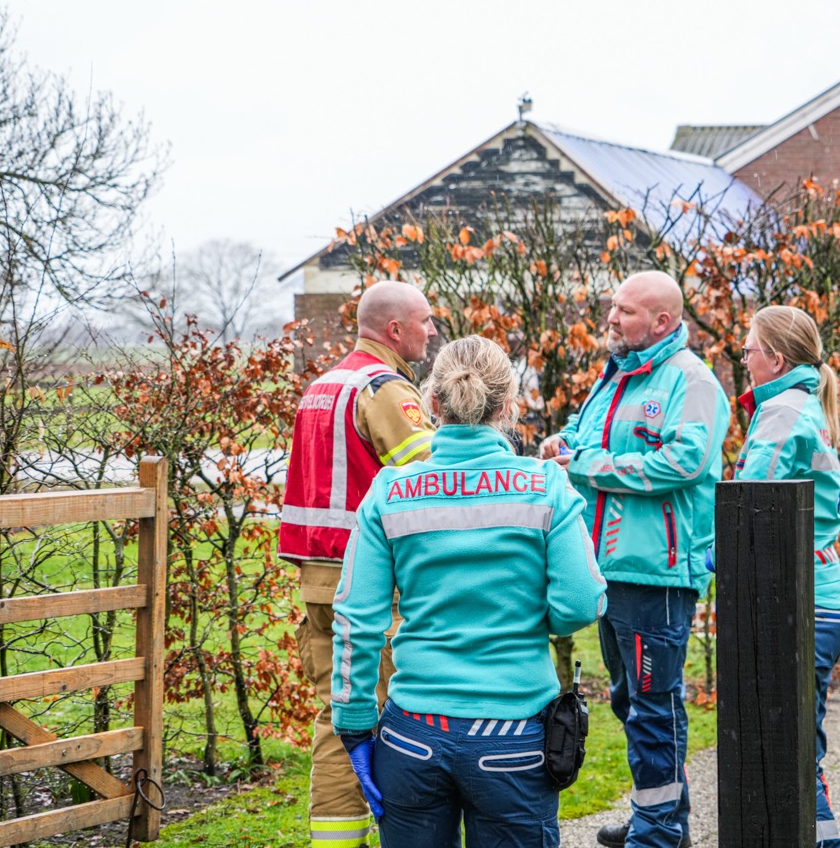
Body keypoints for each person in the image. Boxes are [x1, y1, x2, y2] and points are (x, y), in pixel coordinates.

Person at [330, 335, 607, 847]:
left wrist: (352, 723)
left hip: (411, 735)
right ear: (508, 407)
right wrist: (523, 617)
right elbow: (580, 602)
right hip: (514, 737)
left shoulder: (390, 492)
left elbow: (355, 619)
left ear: (431, 403)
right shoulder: (546, 485)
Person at [539, 271, 729, 848]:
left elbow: (683, 463)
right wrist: (558, 446)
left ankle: (658, 830)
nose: (611, 318)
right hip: (608, 570)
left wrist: (587, 464)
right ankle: (662, 818)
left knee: (654, 707)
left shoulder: (690, 382)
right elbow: (580, 438)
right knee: (632, 702)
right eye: (613, 307)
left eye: (624, 311)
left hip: (658, 574)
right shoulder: (616, 377)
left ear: (663, 322)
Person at [278, 280, 437, 848]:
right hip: (374, 589)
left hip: (318, 583)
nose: (433, 330)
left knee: (337, 722)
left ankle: (335, 841)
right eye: (425, 320)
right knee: (399, 721)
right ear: (395, 330)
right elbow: (435, 483)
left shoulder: (321, 385)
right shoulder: (385, 390)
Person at [734, 305, 840, 848]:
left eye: (750, 349)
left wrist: (718, 548)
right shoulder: (801, 404)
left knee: (791, 747)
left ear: (776, 359)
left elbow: (753, 502)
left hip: (801, 598)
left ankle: (822, 841)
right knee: (803, 743)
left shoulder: (782, 410)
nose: (744, 358)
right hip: (820, 593)